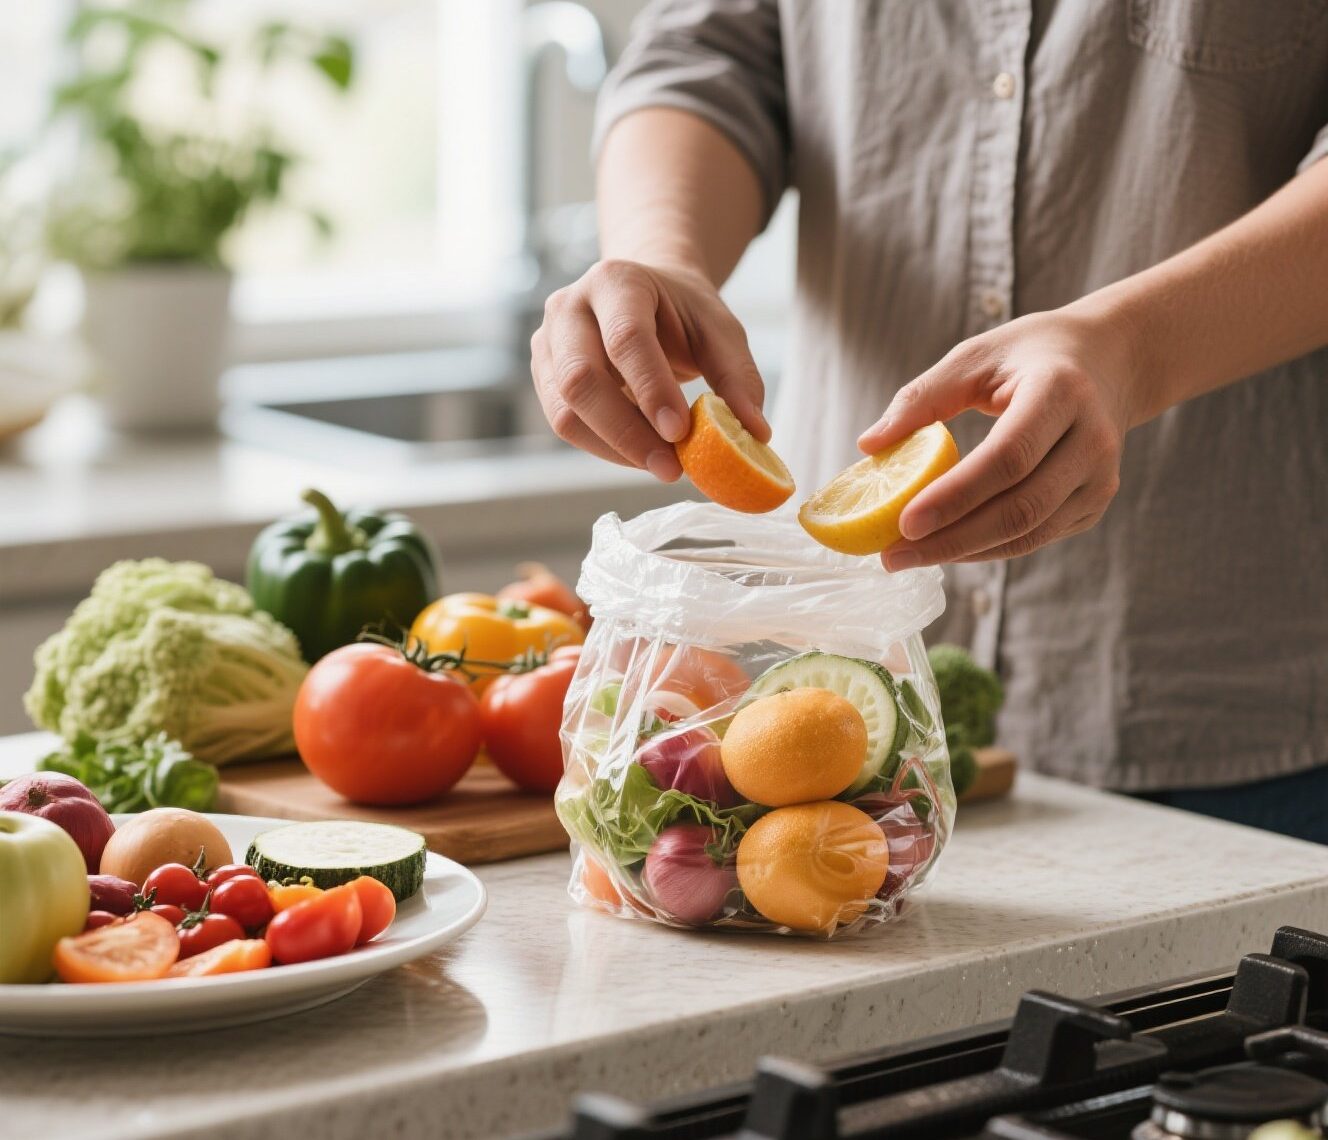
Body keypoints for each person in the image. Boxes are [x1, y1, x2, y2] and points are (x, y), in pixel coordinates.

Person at [529, 2, 1328, 840]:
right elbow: (709, 54)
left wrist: (1135, 347)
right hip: (842, 704)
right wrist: (659, 254)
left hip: (1242, 709)